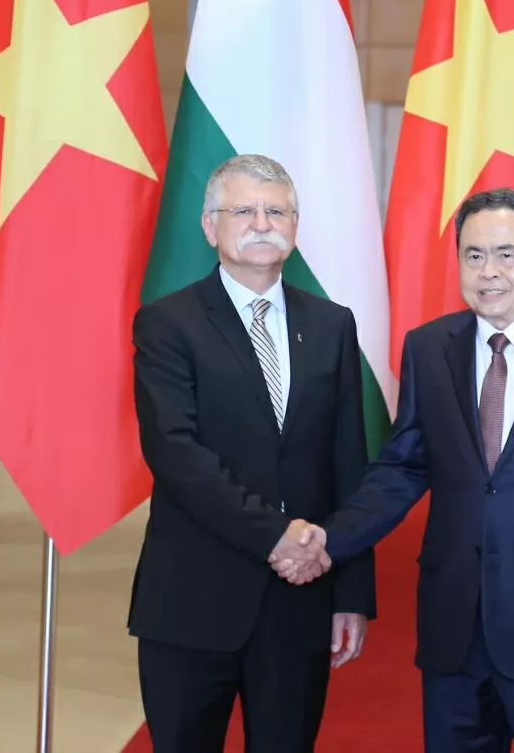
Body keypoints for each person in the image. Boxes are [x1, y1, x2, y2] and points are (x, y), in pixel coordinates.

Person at [274, 188, 514, 753]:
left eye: (506, 254)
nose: (489, 272)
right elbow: (402, 467)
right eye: (474, 256)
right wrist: (331, 537)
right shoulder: (430, 348)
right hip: (453, 630)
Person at [127, 153, 375, 752]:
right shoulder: (167, 324)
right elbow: (176, 453)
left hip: (300, 602)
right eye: (243, 210)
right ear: (211, 227)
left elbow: (348, 461)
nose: (262, 222)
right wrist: (276, 536)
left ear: (294, 226)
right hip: (193, 598)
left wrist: (351, 593)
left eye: (277, 210)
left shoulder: (332, 325)